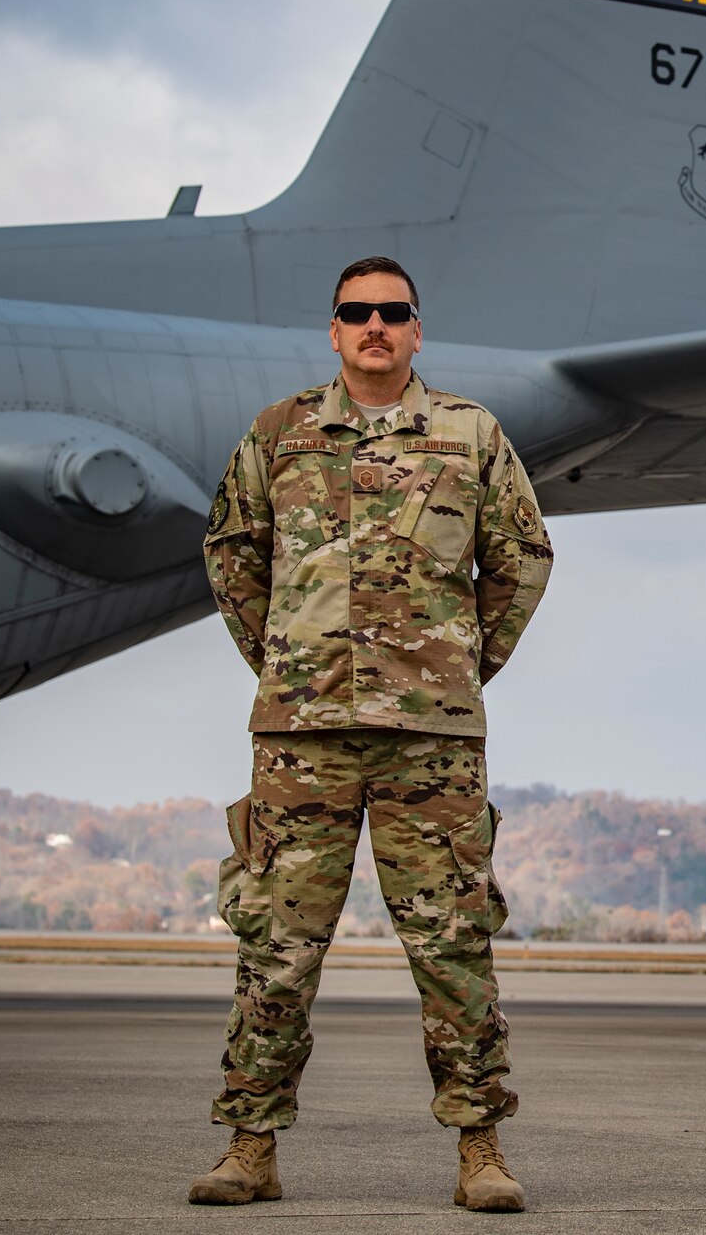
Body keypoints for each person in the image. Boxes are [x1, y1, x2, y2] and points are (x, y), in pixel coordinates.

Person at [192, 255, 552, 1212]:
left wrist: (462, 664)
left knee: (454, 944)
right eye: (358, 313)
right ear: (335, 330)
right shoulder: (279, 433)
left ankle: (482, 1149)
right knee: (275, 939)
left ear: (418, 330)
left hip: (431, 738)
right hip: (303, 736)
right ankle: (250, 1147)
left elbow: (520, 556)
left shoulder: (470, 434)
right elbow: (232, 553)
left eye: (394, 312)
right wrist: (285, 663)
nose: (376, 326)